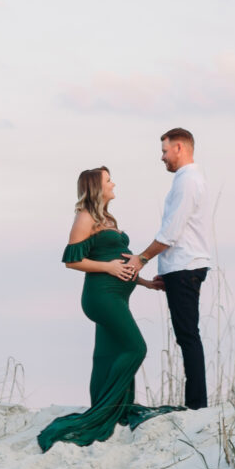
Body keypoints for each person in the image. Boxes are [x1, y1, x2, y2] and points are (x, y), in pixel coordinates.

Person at [36, 167, 184, 452]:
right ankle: (107, 408)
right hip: (101, 297)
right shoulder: (85, 216)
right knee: (135, 348)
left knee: (106, 355)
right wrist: (108, 266)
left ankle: (114, 407)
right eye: (108, 180)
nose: (113, 183)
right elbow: (72, 260)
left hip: (117, 295)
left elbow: (117, 263)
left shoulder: (107, 218)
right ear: (95, 187)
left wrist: (144, 283)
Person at [123, 127, 212, 409]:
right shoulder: (188, 180)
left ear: (179, 148)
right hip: (180, 267)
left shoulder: (187, 181)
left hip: (186, 267)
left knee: (188, 336)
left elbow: (171, 232)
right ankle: (196, 403)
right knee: (186, 335)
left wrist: (142, 259)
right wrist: (166, 267)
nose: (162, 158)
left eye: (164, 151)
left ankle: (197, 406)